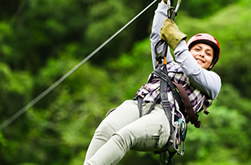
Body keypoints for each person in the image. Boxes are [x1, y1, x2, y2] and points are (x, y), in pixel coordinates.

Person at [83, 0, 221, 165]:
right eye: (197, 49)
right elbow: (157, 37)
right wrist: (163, 5)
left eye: (208, 53)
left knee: (125, 136)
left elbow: (192, 71)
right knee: (105, 130)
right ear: (188, 51)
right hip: (141, 104)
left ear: (211, 64)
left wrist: (178, 42)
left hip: (166, 117)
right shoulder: (168, 65)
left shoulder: (212, 81)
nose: (202, 54)